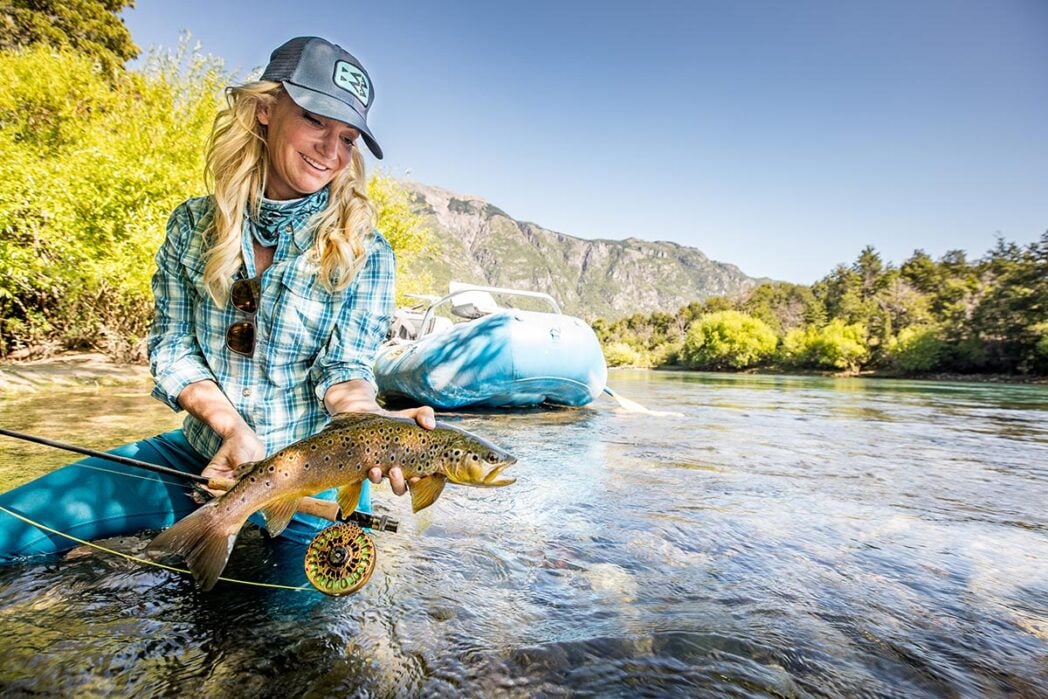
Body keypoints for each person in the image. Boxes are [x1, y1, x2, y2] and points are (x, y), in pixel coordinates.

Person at [0, 36, 432, 564]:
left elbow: (344, 370)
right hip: (198, 457)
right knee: (10, 526)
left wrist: (377, 429)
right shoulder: (192, 225)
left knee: (286, 641)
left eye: (347, 138)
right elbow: (172, 346)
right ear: (264, 111)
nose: (331, 151)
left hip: (315, 481)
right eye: (316, 121)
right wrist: (232, 430)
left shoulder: (367, 250)